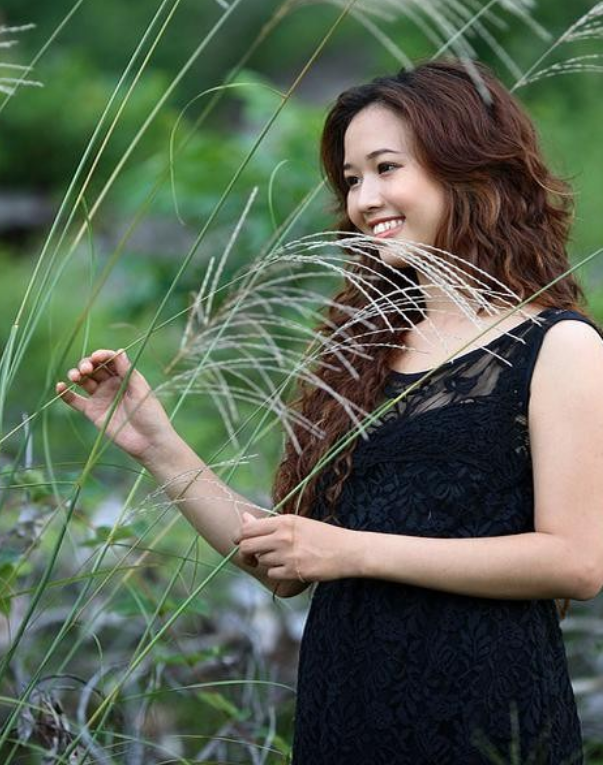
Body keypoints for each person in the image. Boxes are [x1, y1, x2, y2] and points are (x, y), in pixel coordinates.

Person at [56, 58, 603, 765]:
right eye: (351, 179)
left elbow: (576, 561)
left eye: (386, 168)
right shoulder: (364, 350)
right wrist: (156, 443)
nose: (364, 199)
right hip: (343, 713)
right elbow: (286, 565)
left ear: (468, 167)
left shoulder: (558, 346)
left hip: (486, 719)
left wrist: (353, 551)